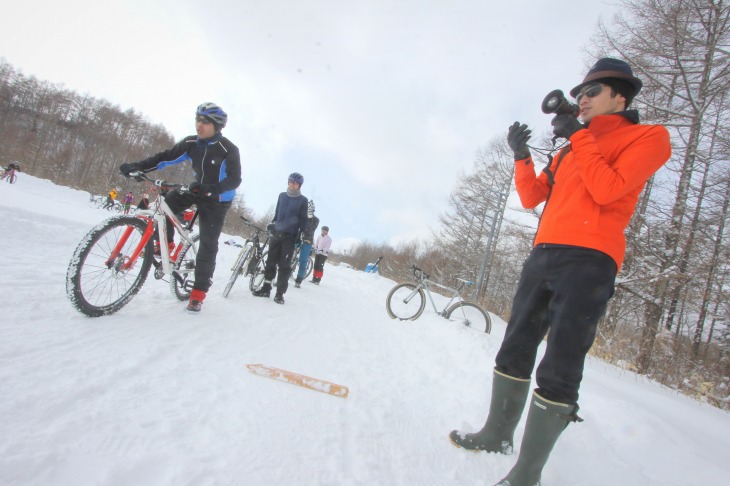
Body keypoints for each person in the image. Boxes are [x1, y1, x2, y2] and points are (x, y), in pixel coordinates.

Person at [449, 58, 671, 486]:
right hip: (544, 254)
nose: (581, 100)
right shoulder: (572, 147)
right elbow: (532, 196)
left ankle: (527, 475)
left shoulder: (648, 137)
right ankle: (497, 435)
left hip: (591, 259)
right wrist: (521, 157)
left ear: (620, 96)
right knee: (514, 346)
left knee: (561, 362)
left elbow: (608, 189)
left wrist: (580, 136)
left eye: (591, 92)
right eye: (578, 94)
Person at [119, 102, 242, 313]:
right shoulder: (192, 143)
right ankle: (167, 245)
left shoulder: (228, 150)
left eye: (204, 121)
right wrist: (138, 166)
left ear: (216, 126)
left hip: (218, 198)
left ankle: (198, 293)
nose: (199, 125)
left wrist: (212, 189)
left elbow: (234, 179)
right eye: (197, 120)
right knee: (165, 204)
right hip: (196, 189)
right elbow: (166, 157)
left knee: (208, 243)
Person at [252, 172, 308, 304]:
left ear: (299, 185)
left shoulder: (303, 200)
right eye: (290, 181)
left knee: (284, 265)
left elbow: (303, 220)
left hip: (290, 236)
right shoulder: (282, 196)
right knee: (270, 262)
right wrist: (273, 223)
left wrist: (302, 234)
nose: (292, 184)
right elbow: (277, 213)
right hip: (277, 234)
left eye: (295, 182)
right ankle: (266, 288)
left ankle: (280, 293)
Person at [294, 200, 319, 288]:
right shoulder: (302, 216)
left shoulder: (315, 220)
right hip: (297, 239)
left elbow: (311, 229)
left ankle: (298, 280)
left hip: (307, 241)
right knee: (288, 256)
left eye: (310, 209)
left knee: (303, 261)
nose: (308, 210)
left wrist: (309, 218)